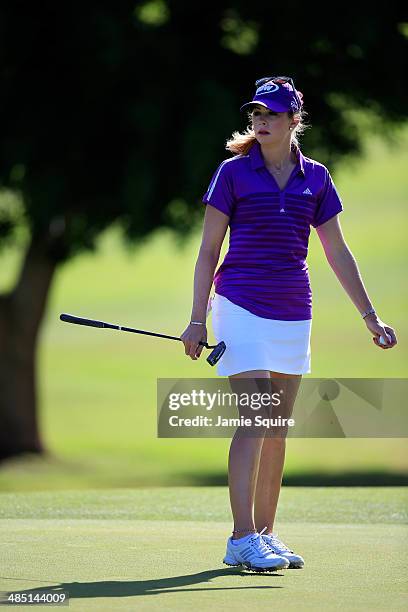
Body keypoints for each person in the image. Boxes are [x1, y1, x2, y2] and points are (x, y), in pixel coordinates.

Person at [180, 76, 397, 573]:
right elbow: (208, 250)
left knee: (276, 428)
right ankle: (241, 537)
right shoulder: (232, 173)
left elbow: (336, 251)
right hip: (238, 304)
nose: (261, 121)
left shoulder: (315, 178)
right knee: (255, 420)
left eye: (273, 114)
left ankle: (266, 533)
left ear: (294, 121)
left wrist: (370, 316)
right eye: (256, 114)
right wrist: (197, 319)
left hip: (293, 310)